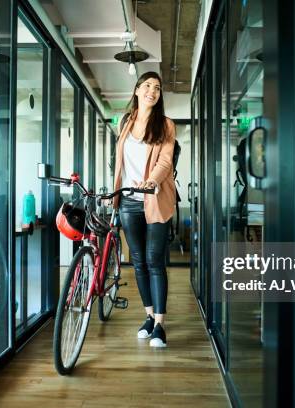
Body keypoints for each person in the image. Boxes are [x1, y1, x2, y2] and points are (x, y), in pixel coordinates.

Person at [113, 71, 177, 348]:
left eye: (158, 88)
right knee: (138, 261)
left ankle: (160, 325)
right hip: (128, 200)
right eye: (148, 85)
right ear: (137, 90)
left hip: (155, 197)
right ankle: (149, 316)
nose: (153, 90)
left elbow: (165, 161)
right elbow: (120, 163)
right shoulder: (125, 122)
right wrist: (113, 191)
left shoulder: (165, 125)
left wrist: (151, 180)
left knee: (155, 261)